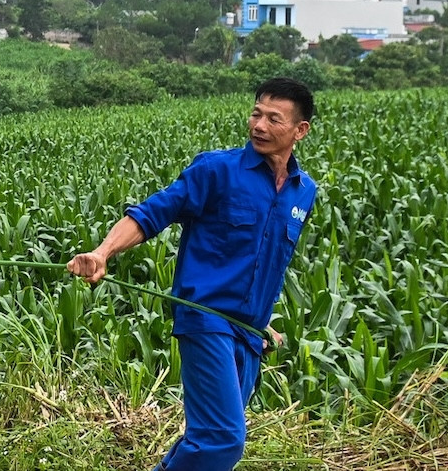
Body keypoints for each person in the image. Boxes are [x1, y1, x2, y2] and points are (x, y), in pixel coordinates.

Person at [67, 76, 318, 471]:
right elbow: (153, 212)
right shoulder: (216, 170)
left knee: (205, 439)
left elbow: (269, 261)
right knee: (222, 440)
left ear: (299, 131)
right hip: (206, 320)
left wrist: (262, 322)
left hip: (249, 335)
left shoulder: (304, 191)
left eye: (274, 119)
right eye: (256, 114)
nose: (259, 126)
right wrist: (103, 252)